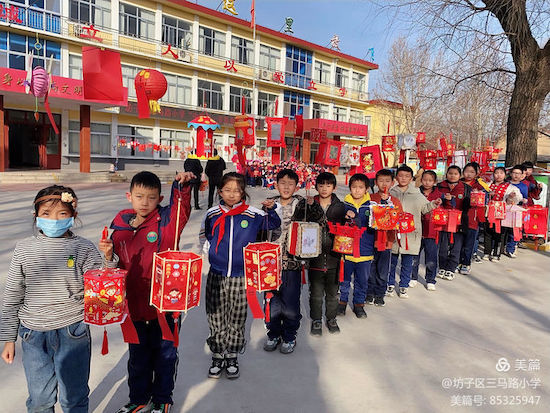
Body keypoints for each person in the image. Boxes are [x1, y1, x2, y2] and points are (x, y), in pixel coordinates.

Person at [0, 185, 117, 413]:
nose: (53, 219)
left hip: (73, 330)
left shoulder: (83, 247)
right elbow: (12, 294)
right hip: (33, 334)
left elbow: (101, 283)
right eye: (46, 213)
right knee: (40, 398)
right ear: (36, 216)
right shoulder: (24, 249)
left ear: (73, 216)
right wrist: (8, 339)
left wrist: (109, 258)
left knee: (74, 397)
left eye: (62, 214)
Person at [111, 171, 194, 413]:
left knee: (165, 356)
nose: (145, 202)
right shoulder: (120, 223)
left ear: (159, 199)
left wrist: (183, 188)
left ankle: (162, 399)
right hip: (133, 305)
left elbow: (181, 208)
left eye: (151, 197)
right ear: (129, 196)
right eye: (139, 196)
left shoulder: (167, 221)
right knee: (137, 358)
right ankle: (138, 399)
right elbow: (115, 261)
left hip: (164, 306)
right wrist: (108, 255)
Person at [200, 172, 280, 379]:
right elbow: (205, 233)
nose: (232, 194)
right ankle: (218, 354)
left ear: (243, 192)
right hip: (216, 274)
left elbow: (272, 226)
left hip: (242, 275)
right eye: (227, 190)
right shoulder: (212, 213)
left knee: (237, 316)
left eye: (236, 190)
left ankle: (232, 354)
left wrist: (270, 210)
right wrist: (209, 250)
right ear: (220, 191)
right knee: (215, 316)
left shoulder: (253, 214)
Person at [263, 169, 323, 354]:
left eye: (290, 183)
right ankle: (273, 333)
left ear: (296, 185)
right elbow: (259, 231)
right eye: (282, 183)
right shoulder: (269, 204)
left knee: (290, 303)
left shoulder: (303, 204)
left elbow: (320, 221)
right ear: (276, 184)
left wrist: (313, 206)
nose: (286, 187)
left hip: (292, 264)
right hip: (270, 264)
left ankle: (289, 336)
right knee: (271, 302)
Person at [388, 165, 440, 298]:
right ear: (396, 177)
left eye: (406, 176)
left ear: (411, 178)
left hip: (411, 234)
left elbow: (425, 208)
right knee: (392, 260)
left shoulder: (417, 194)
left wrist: (434, 204)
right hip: (394, 233)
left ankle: (404, 285)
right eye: (401, 176)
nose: (403, 178)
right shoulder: (391, 193)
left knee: (407, 261)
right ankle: (390, 284)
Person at [308, 172, 346, 336]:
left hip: (334, 258)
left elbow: (352, 225)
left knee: (332, 293)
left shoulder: (341, 207)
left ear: (334, 187)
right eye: (321, 185)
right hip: (314, 258)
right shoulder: (309, 203)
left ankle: (331, 318)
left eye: (328, 185)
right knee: (315, 294)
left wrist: (352, 218)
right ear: (316, 186)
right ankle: (316, 320)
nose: (324, 188)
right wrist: (306, 207)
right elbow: (298, 222)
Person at [338, 173, 374, 318]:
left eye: (361, 187)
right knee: (344, 279)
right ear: (350, 188)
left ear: (366, 189)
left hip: (365, 250)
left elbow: (375, 225)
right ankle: (342, 303)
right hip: (346, 250)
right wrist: (344, 216)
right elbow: (337, 222)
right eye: (354, 187)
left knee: (362, 281)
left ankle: (359, 304)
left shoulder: (371, 206)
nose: (357, 190)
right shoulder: (343, 205)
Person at [367, 169, 402, 305]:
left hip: (387, 241)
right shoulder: (370, 198)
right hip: (371, 239)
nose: (384, 184)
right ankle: (369, 292)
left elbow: (399, 218)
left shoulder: (395, 201)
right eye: (381, 181)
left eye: (387, 181)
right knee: (370, 268)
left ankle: (380, 293)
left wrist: (388, 205)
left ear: (392, 183)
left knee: (383, 269)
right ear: (376, 182)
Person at [411, 170, 444, 291]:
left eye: (430, 180)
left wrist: (448, 201)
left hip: (432, 231)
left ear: (435, 182)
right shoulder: (415, 193)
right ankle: (413, 277)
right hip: (417, 230)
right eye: (424, 179)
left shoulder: (439, 194)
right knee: (414, 256)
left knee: (431, 258)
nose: (427, 182)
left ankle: (430, 279)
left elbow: (448, 208)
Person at [483, 167, 522, 261]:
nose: (498, 175)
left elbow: (518, 198)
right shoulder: (488, 185)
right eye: (496, 173)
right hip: (489, 212)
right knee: (487, 232)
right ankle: (487, 252)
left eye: (501, 173)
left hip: (502, 213)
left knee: (500, 233)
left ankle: (497, 253)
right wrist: (488, 195)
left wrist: (511, 196)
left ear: (505, 175)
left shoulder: (510, 187)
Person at [458, 163, 488, 275]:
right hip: (459, 217)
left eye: (472, 172)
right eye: (467, 171)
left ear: (476, 174)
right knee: (457, 242)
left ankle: (466, 263)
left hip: (472, 218)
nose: (469, 174)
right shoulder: (458, 183)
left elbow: (485, 201)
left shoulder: (480, 186)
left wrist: (478, 195)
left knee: (469, 242)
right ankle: (457, 262)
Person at [503, 165, 528, 257]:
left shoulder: (524, 186)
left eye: (518, 173)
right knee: (503, 230)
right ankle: (501, 247)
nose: (516, 175)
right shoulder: (505, 184)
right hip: (505, 208)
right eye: (514, 173)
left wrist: (523, 200)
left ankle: (511, 249)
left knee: (514, 231)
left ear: (522, 175)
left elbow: (525, 199)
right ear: (511, 173)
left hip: (516, 211)